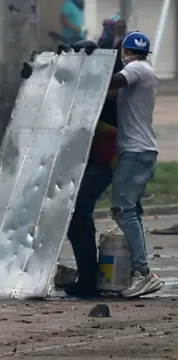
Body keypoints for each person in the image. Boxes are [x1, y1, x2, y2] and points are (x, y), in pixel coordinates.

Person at [64, 18, 126, 298]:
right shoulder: (88, 81)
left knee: (79, 212)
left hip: (104, 161)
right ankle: (88, 274)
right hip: (85, 158)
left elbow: (108, 89)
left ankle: (90, 278)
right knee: (74, 215)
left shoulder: (110, 77)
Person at [105, 30, 163, 298]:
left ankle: (143, 273)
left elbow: (114, 80)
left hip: (136, 152)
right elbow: (114, 95)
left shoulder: (137, 69)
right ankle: (135, 269)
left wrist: (93, 70)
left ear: (124, 53)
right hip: (140, 152)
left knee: (123, 209)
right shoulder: (145, 73)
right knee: (131, 212)